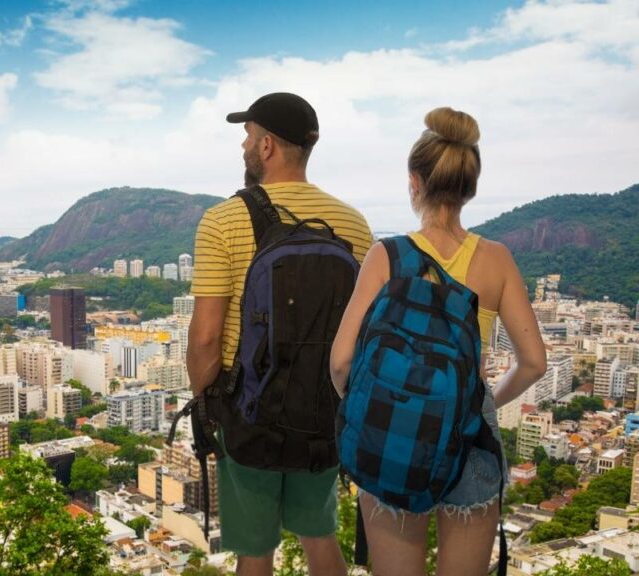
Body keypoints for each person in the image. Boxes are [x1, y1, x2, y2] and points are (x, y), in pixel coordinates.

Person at [329, 107, 547, 576]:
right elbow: (533, 363)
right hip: (471, 432)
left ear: (415, 182)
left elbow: (341, 361)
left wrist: (375, 404)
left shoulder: (386, 255)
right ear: (469, 189)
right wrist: (483, 398)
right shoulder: (497, 260)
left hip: (391, 425)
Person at [188, 92, 373, 576]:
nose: (244, 147)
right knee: (320, 536)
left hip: (247, 409)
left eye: (248, 136)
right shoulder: (354, 224)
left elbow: (206, 336)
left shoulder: (224, 220)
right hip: (322, 409)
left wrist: (204, 402)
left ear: (267, 145)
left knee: (255, 551)